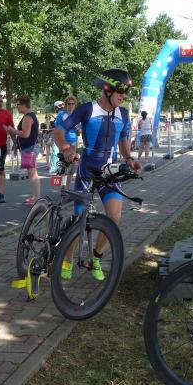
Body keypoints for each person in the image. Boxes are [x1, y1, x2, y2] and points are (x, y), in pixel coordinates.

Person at [53, 68, 141, 281]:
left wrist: (129, 158)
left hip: (109, 172)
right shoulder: (87, 109)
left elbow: (123, 141)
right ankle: (68, 260)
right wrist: (66, 148)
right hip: (87, 170)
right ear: (108, 89)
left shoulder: (123, 114)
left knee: (114, 217)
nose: (123, 96)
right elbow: (59, 130)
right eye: (121, 91)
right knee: (79, 219)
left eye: (126, 92)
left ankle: (96, 259)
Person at [5, 95, 40, 205]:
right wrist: (17, 144)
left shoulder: (28, 117)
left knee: (33, 173)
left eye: (18, 105)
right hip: (29, 147)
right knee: (32, 173)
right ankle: (35, 196)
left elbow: (25, 134)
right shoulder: (29, 116)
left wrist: (11, 130)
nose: (17, 107)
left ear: (24, 105)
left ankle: (36, 198)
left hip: (30, 148)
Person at [54, 98, 80, 184]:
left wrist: (77, 130)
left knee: (72, 165)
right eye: (69, 103)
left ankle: (67, 187)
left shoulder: (77, 115)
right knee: (63, 164)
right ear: (66, 105)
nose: (71, 105)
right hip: (64, 141)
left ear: (75, 105)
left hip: (74, 141)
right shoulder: (61, 114)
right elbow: (57, 127)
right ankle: (62, 186)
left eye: (73, 104)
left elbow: (79, 132)